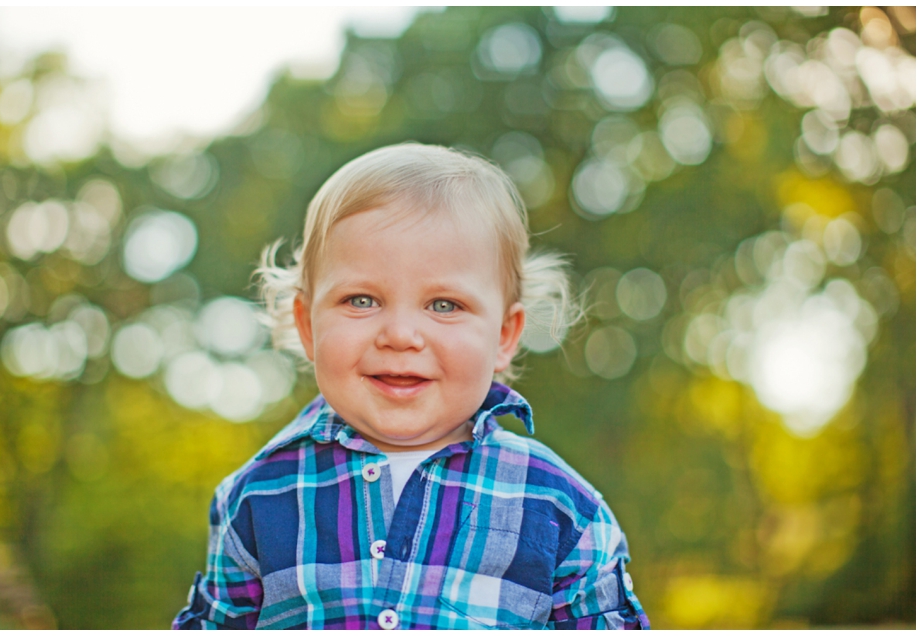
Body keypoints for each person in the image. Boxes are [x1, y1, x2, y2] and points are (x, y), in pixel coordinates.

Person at [172, 143, 649, 629]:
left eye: (444, 305)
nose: (400, 335)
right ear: (307, 325)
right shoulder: (257, 498)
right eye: (361, 299)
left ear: (504, 336)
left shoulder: (563, 509)